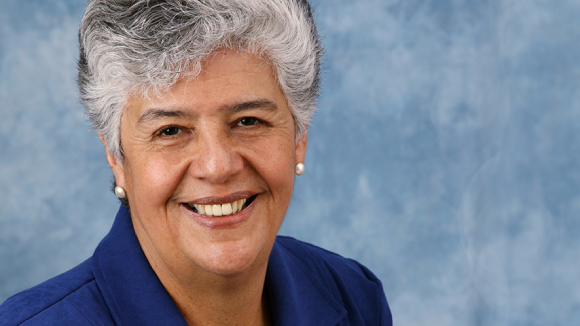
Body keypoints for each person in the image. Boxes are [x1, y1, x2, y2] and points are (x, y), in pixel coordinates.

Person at [0, 0, 392, 325]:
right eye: (170, 131)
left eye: (248, 121)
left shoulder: (354, 295)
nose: (218, 166)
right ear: (116, 158)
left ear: (299, 137)